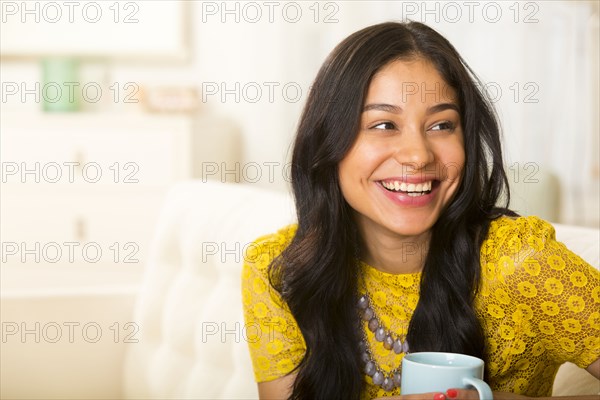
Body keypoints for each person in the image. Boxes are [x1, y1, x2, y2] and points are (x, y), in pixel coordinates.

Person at [241, 21, 600, 399]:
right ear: (328, 142)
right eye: (383, 124)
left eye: (442, 125)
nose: (418, 155)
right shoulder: (279, 272)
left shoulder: (522, 261)